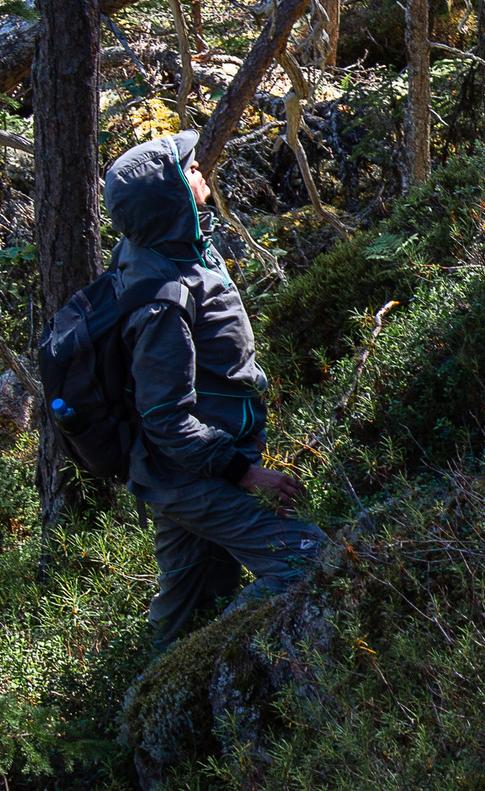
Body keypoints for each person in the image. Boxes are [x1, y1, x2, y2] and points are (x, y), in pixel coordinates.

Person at [101, 130, 325, 648]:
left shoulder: (172, 247)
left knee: (193, 601)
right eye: (191, 170)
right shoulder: (162, 299)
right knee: (311, 562)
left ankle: (150, 704)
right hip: (192, 476)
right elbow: (166, 418)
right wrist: (244, 474)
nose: (202, 173)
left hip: (182, 471)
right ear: (171, 195)